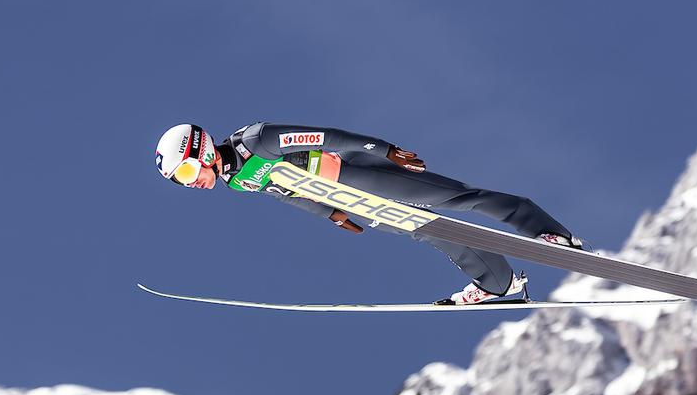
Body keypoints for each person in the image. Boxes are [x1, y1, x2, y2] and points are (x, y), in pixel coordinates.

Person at [153, 123, 582, 305]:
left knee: (455, 200)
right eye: (181, 181)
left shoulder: (257, 140)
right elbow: (285, 191)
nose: (192, 182)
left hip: (361, 176)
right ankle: (497, 282)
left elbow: (326, 135)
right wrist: (331, 214)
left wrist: (385, 149)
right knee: (431, 230)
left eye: (188, 169)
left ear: (203, 149)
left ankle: (548, 232)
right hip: (350, 198)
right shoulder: (237, 179)